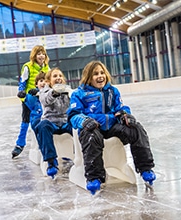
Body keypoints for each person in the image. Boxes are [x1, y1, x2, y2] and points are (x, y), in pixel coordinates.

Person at [67, 61, 156, 195]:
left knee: (135, 128)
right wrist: (84, 121)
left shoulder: (112, 91)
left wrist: (125, 114)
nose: (100, 76)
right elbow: (73, 115)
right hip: (93, 127)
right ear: (88, 77)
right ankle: (94, 177)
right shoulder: (79, 94)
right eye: (95, 74)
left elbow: (120, 107)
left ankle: (145, 168)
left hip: (111, 125)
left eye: (102, 73)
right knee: (92, 136)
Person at [12, 45, 50, 158]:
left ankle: (47, 144)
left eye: (43, 53)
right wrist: (21, 93)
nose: (41, 56)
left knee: (43, 121)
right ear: (34, 56)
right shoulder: (27, 67)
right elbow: (22, 81)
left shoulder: (47, 68)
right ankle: (20, 144)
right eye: (39, 54)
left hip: (43, 99)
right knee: (25, 121)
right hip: (29, 100)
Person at [35, 68, 72, 179]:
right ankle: (51, 161)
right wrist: (54, 93)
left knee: (79, 126)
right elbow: (45, 100)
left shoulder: (68, 90)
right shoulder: (44, 92)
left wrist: (71, 95)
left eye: (60, 76)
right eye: (55, 76)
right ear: (48, 81)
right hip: (51, 122)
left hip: (65, 122)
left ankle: (82, 157)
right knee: (42, 126)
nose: (58, 78)